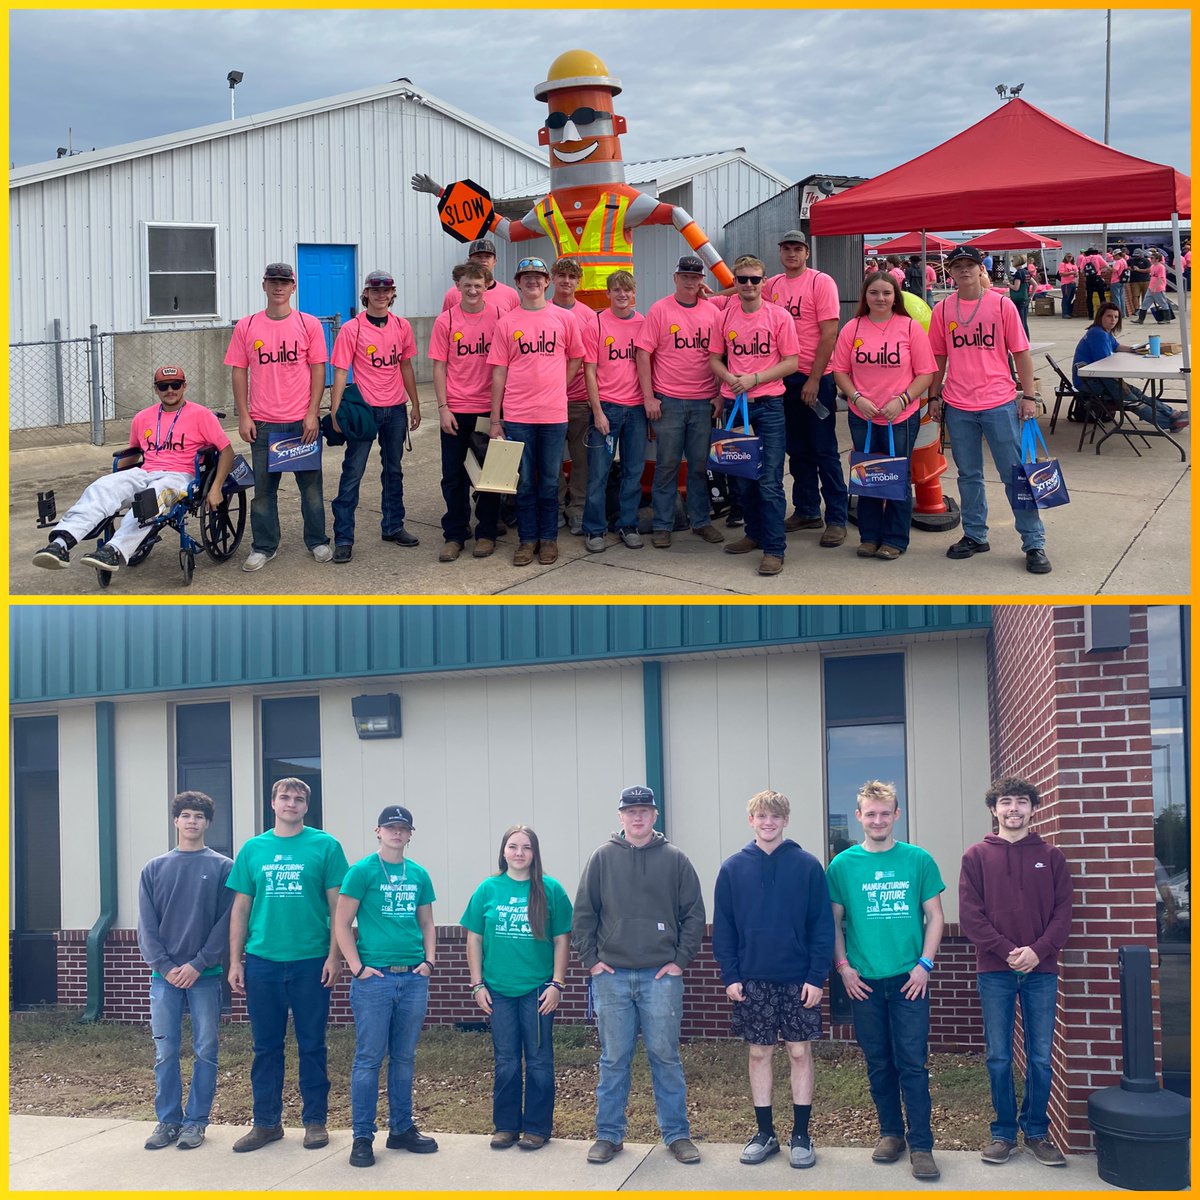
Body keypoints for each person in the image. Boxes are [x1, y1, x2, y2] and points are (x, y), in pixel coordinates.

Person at [412, 49, 732, 310]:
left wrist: (729, 283)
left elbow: (678, 214)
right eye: (556, 121)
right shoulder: (550, 207)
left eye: (585, 118)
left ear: (616, 125)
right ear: (545, 133)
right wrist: (442, 192)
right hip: (568, 308)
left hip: (615, 307)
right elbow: (508, 230)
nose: (570, 134)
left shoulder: (623, 201)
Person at [572, 785, 706, 1166]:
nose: (637, 817)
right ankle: (608, 1135)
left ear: (654, 815)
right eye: (630, 811)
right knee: (614, 1058)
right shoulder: (602, 858)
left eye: (644, 810)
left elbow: (694, 914)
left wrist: (680, 961)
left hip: (661, 977)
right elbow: (583, 914)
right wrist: (592, 962)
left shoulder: (675, 859)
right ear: (620, 816)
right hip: (611, 977)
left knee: (665, 1056)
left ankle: (677, 1135)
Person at [826, 780, 946, 1182]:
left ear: (897, 815)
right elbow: (834, 922)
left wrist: (925, 965)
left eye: (885, 813)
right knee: (878, 1062)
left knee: (912, 1061)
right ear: (859, 816)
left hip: (909, 979)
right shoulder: (842, 865)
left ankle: (922, 1145)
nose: (878, 820)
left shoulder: (918, 860)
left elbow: (936, 916)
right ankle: (891, 1133)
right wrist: (843, 967)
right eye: (870, 814)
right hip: (864, 981)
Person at [712, 790, 834, 1170]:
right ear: (751, 820)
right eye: (762, 816)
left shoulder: (807, 866)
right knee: (759, 1053)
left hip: (798, 980)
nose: (768, 823)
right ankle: (765, 1133)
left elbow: (822, 926)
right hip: (752, 980)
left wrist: (816, 976)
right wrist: (730, 974)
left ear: (786, 821)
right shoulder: (732, 869)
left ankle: (801, 1135)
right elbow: (724, 928)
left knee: (799, 1052)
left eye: (775, 817)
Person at [226, 777, 349, 1153]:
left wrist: (335, 956)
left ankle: (315, 1121)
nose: (291, 803)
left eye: (298, 798)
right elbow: (241, 908)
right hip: (262, 961)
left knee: (312, 1045)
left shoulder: (325, 846)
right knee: (265, 1047)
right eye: (284, 797)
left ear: (306, 806)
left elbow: (339, 908)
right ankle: (266, 1124)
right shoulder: (253, 849)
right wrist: (235, 961)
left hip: (311, 961)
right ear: (273, 803)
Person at [958, 777, 1073, 1168]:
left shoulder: (1051, 857)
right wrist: (1008, 951)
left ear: (1033, 809)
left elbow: (1063, 914)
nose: (1013, 809)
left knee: (1040, 1057)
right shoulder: (976, 856)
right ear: (994, 809)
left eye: (1022, 802)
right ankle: (1003, 1134)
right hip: (995, 970)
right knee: (999, 1057)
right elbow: (971, 916)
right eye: (1006, 802)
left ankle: (1037, 1132)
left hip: (1042, 971)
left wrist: (1037, 952)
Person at [33, 365, 233, 573]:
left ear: (184, 386)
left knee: (150, 499)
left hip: (180, 476)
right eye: (163, 386)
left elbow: (227, 452)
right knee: (101, 487)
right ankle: (60, 543)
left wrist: (216, 488)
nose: (170, 390)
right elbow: (134, 453)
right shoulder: (142, 418)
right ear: (156, 389)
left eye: (175, 385)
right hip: (146, 471)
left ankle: (114, 549)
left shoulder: (202, 415)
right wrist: (117, 485)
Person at [927, 245, 1051, 576]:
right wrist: (933, 396)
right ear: (950, 272)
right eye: (958, 265)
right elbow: (938, 356)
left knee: (1015, 476)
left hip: (999, 402)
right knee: (968, 476)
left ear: (981, 268)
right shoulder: (942, 309)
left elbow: (1021, 353)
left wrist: (1028, 395)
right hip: (959, 405)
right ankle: (975, 535)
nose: (964, 270)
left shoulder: (1001, 305)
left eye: (970, 264)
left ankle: (1033, 542)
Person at [335, 805, 439, 1168]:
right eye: (390, 827)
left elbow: (427, 923)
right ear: (378, 831)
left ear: (410, 834)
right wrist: (357, 967)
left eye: (403, 828)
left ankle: (402, 1128)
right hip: (374, 979)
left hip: (412, 977)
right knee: (368, 1058)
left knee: (405, 1057)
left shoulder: (419, 874)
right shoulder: (361, 871)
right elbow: (342, 922)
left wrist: (429, 961)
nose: (397, 833)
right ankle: (362, 1136)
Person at [462, 825, 572, 1151]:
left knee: (538, 1060)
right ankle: (506, 1126)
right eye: (513, 846)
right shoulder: (488, 889)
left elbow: (562, 939)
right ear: (504, 851)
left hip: (537, 989)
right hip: (498, 989)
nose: (519, 853)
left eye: (526, 847)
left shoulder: (551, 889)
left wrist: (557, 983)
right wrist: (477, 984)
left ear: (534, 853)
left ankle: (537, 1128)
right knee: (506, 1060)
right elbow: (474, 938)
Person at [137, 791, 234, 1151]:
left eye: (199, 816)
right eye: (186, 815)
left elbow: (226, 923)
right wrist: (165, 967)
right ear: (176, 821)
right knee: (165, 1052)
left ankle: (196, 1122)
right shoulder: (154, 868)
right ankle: (168, 1121)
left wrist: (198, 963)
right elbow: (146, 926)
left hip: (204, 977)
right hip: (164, 979)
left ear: (208, 823)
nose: (192, 821)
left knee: (206, 1050)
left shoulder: (224, 867)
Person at [225, 262, 330, 572]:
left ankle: (317, 540)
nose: (279, 286)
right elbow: (239, 371)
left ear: (293, 287)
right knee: (263, 492)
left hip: (301, 423)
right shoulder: (247, 326)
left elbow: (318, 369)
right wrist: (244, 416)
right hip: (263, 423)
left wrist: (312, 413)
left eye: (285, 282)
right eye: (273, 281)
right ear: (264, 285)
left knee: (311, 489)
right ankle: (264, 546)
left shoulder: (308, 324)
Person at [830, 272, 937, 561]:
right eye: (874, 292)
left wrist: (902, 400)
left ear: (895, 296)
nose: (880, 298)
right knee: (866, 473)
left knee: (897, 475)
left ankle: (894, 539)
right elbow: (840, 371)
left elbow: (926, 373)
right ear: (865, 296)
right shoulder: (852, 328)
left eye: (887, 293)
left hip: (900, 417)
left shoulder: (909, 327)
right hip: (862, 415)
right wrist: (856, 398)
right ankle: (869, 536)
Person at [487, 256, 584, 566]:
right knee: (526, 482)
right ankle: (527, 540)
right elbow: (499, 371)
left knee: (551, 481)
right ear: (518, 283)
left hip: (553, 415)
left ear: (547, 282)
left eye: (538, 276)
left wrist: (559, 384)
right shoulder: (507, 322)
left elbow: (576, 356)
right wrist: (495, 418)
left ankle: (549, 539)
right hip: (518, 415)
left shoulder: (564, 319)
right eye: (526, 276)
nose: (533, 281)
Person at [708, 255, 798, 576]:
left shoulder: (779, 316)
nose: (748, 284)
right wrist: (729, 378)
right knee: (742, 478)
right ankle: (754, 533)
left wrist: (755, 379)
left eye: (754, 279)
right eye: (742, 279)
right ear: (734, 282)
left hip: (769, 407)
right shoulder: (724, 318)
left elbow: (791, 362)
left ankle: (774, 549)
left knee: (769, 481)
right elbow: (714, 359)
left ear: (764, 282)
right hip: (736, 408)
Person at [329, 269, 421, 564]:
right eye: (375, 290)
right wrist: (335, 410)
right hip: (364, 411)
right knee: (353, 472)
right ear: (366, 294)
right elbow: (340, 370)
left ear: (393, 294)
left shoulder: (401, 326)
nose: (381, 295)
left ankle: (393, 526)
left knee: (393, 470)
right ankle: (344, 537)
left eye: (386, 290)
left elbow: (405, 365)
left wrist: (415, 404)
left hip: (395, 409)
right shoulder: (352, 329)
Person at [634, 255, 725, 549]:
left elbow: (720, 357)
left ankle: (700, 521)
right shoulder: (660, 310)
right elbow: (643, 353)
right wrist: (649, 396)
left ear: (702, 281)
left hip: (703, 402)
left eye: (695, 277)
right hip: (669, 401)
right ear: (675, 278)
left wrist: (719, 394)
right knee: (667, 465)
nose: (689, 281)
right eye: (685, 276)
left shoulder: (713, 312)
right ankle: (663, 524)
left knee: (699, 466)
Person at [766, 231, 847, 549]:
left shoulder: (820, 282)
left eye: (797, 249)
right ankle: (807, 510)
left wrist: (814, 379)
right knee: (796, 449)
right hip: (784, 378)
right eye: (786, 248)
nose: (792, 253)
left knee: (824, 450)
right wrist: (708, 294)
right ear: (780, 252)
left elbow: (829, 334)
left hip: (816, 378)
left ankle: (837, 517)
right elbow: (745, 289)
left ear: (806, 253)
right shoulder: (773, 285)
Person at [429, 261, 503, 561]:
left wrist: (500, 413)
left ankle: (487, 532)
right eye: (467, 285)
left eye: (478, 285)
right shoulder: (445, 321)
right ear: (457, 286)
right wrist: (443, 408)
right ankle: (456, 534)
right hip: (457, 409)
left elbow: (505, 365)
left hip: (488, 409)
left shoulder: (499, 316)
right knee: (453, 475)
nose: (473, 290)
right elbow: (439, 366)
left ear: (487, 286)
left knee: (491, 475)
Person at [582, 270, 648, 553]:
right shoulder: (596, 324)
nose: (622, 295)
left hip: (636, 409)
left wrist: (649, 401)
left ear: (634, 293)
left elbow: (649, 365)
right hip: (607, 407)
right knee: (599, 472)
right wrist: (597, 411)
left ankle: (627, 524)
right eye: (617, 290)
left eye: (627, 290)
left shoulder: (643, 323)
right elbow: (589, 371)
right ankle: (594, 528)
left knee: (633, 471)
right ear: (608, 293)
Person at [1073, 303, 1187, 431]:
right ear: (1100, 317)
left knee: (1137, 393)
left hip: (1100, 378)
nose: (1113, 320)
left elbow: (1116, 346)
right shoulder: (1098, 334)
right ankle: (1169, 422)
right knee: (1132, 400)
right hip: (1089, 381)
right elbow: (1104, 364)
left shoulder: (1103, 332)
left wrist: (1134, 349)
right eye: (1109, 316)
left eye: (1116, 317)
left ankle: (1172, 414)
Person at [551, 257, 594, 535]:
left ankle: (577, 507)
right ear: (552, 279)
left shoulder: (588, 315)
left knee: (582, 459)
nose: (566, 280)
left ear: (578, 281)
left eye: (572, 276)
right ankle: (555, 505)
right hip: (548, 400)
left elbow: (593, 361)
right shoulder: (540, 310)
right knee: (551, 459)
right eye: (561, 275)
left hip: (579, 398)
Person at [440, 238, 520, 314]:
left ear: (495, 261)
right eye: (478, 256)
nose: (483, 260)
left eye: (488, 256)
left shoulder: (510, 294)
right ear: (469, 260)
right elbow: (447, 320)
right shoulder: (453, 294)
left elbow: (517, 321)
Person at [1134, 250, 1174, 323]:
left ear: (1157, 259)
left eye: (1152, 258)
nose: (1150, 259)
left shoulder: (1161, 267)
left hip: (1158, 289)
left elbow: (1161, 278)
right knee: (1145, 303)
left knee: (1163, 303)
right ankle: (1141, 319)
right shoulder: (1152, 266)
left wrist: (1155, 287)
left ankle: (1167, 319)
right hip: (1151, 288)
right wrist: (1152, 287)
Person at [1079, 246, 1108, 319]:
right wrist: (1099, 268)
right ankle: (1103, 314)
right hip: (1097, 278)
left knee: (1089, 297)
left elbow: (1081, 270)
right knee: (1102, 296)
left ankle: (1091, 315)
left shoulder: (1085, 258)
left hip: (1089, 279)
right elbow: (1106, 265)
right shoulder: (1098, 257)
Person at [1007, 255, 1032, 336]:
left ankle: (1022, 339)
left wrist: (1007, 284)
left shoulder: (1018, 273)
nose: (1012, 262)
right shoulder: (1026, 272)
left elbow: (1016, 288)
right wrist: (1031, 296)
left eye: (1012, 261)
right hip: (1025, 298)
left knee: (1020, 321)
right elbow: (1035, 284)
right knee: (1024, 321)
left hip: (1018, 300)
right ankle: (1027, 338)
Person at [1126, 246, 1152, 313]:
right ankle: (1136, 309)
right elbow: (1125, 266)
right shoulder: (1130, 260)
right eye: (1135, 256)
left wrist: (1139, 270)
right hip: (1135, 281)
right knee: (1135, 296)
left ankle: (1144, 309)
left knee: (1145, 296)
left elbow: (1149, 270)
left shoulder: (1146, 261)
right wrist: (1130, 268)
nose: (1136, 257)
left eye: (1137, 256)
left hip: (1145, 281)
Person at [1056, 254, 1079, 319]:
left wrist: (1076, 274)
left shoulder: (1074, 264)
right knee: (1066, 298)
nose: (1069, 258)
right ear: (1065, 257)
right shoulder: (1063, 264)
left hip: (1073, 283)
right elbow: (1061, 274)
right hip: (1066, 283)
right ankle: (1065, 313)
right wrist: (1071, 273)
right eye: (1068, 257)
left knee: (1071, 298)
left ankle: (1069, 312)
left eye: (1070, 257)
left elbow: (1077, 272)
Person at [1107, 247, 1129, 315]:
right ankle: (1123, 313)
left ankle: (1118, 313)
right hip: (1122, 280)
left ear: (1117, 255)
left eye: (1114, 256)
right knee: (1121, 297)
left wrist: (1108, 267)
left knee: (1116, 298)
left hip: (1115, 280)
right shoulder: (1124, 261)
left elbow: (1114, 270)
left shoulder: (1118, 262)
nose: (1113, 257)